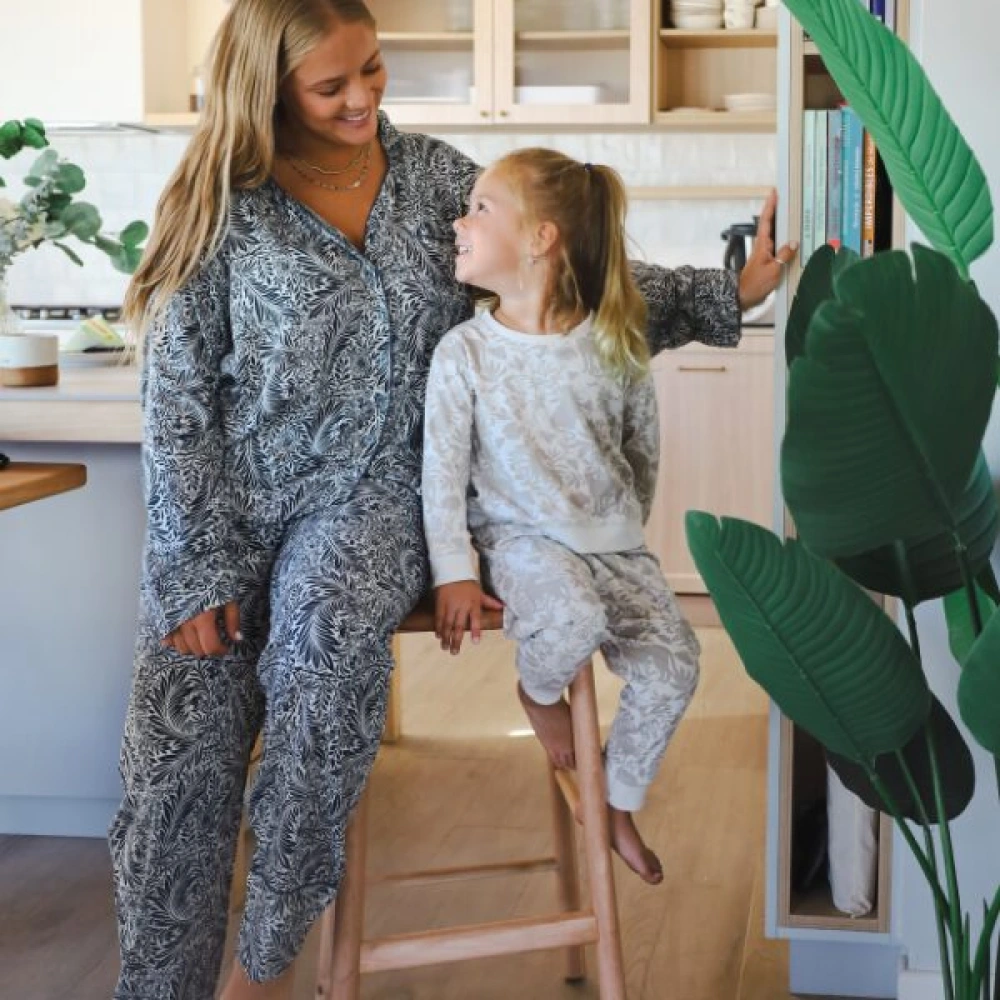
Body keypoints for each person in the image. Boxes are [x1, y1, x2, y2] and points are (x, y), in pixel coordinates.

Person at [109, 0, 797, 996]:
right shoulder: (220, 203)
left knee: (320, 660)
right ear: (267, 90)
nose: (362, 98)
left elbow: (561, 269)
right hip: (230, 511)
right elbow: (175, 395)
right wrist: (189, 568)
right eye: (331, 85)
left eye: (372, 69)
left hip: (379, 504)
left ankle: (260, 971)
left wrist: (724, 293)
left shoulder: (435, 181)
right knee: (175, 763)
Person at [424, 148, 699, 885]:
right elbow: (441, 475)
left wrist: (623, 529)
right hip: (522, 545)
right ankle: (536, 693)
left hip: (617, 547)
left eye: (480, 209)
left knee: (676, 664)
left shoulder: (614, 341)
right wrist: (455, 572)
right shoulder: (464, 353)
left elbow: (642, 451)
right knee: (573, 620)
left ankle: (616, 801)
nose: (459, 222)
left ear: (540, 238)